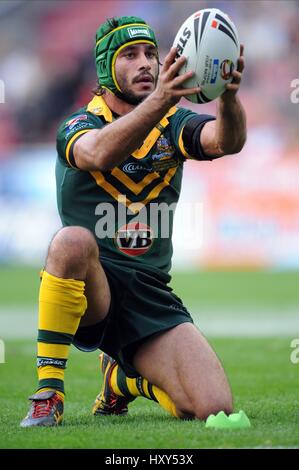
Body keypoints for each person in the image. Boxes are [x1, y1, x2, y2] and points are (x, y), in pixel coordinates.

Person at [20, 15, 246, 427]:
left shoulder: (173, 125)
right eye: (129, 55)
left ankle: (122, 382)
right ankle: (48, 392)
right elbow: (97, 155)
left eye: (150, 54)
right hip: (94, 289)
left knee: (213, 408)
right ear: (106, 68)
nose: (145, 63)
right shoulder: (78, 124)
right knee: (70, 241)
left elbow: (226, 142)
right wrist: (162, 99)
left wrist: (228, 98)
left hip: (149, 292)